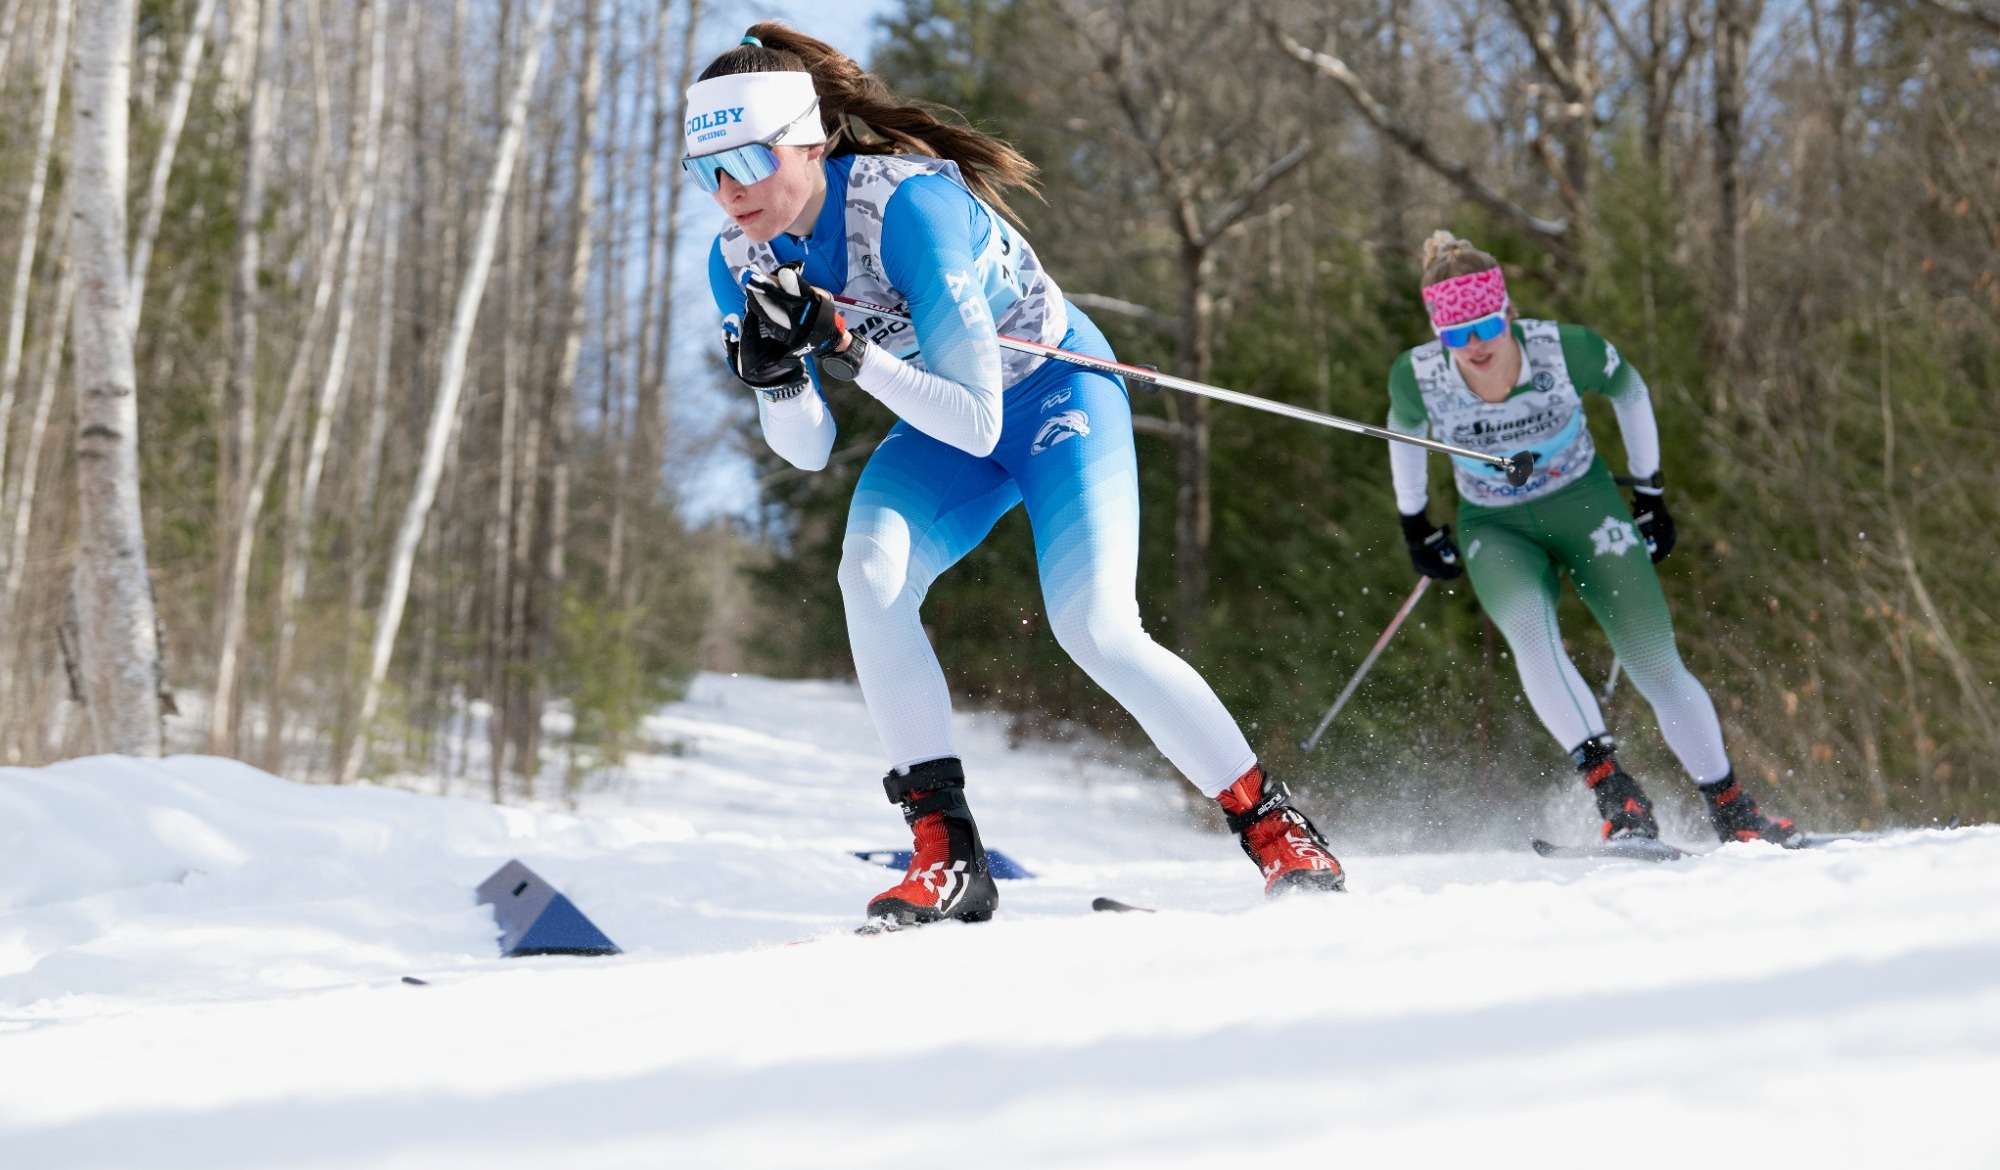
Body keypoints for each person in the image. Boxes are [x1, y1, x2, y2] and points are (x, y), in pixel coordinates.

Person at [691, 24, 1345, 925]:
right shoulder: (739, 263)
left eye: (747, 160)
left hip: (1051, 398)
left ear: (809, 141)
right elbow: (806, 447)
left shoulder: (906, 208)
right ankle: (947, 856)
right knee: (868, 576)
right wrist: (773, 379)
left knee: (1096, 628)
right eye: (706, 172)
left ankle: (1275, 828)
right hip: (940, 417)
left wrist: (846, 349)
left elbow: (980, 413)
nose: (729, 193)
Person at [1386, 230, 1802, 847]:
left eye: (1484, 327)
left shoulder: (1564, 350)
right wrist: (1415, 524)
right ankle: (1619, 799)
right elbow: (1405, 436)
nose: (1473, 346)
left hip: (1585, 506)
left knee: (1655, 661)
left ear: (1506, 313)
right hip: (1495, 526)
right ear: (1437, 332)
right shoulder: (1417, 377)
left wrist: (1651, 492)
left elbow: (1631, 392)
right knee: (1532, 636)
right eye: (1455, 334)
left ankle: (1734, 812)